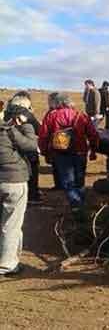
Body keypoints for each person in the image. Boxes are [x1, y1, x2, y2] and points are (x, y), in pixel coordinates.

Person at [38, 94, 98, 212]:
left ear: (58, 103)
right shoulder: (81, 115)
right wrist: (94, 150)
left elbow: (43, 136)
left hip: (60, 153)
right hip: (80, 151)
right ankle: (80, 207)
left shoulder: (51, 115)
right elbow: (93, 134)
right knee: (80, 181)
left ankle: (77, 207)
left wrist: (45, 152)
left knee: (68, 183)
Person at [0, 104, 38, 276]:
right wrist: (27, 124)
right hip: (13, 181)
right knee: (11, 223)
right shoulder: (8, 131)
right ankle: (8, 264)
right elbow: (30, 146)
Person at [7, 92, 42, 202]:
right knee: (32, 171)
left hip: (9, 148)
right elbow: (39, 130)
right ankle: (32, 195)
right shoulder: (27, 114)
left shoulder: (6, 113)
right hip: (27, 147)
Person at [44, 93, 63, 190]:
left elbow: (45, 131)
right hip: (70, 143)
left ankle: (59, 185)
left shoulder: (51, 113)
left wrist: (44, 147)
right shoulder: (71, 111)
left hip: (54, 143)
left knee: (56, 165)